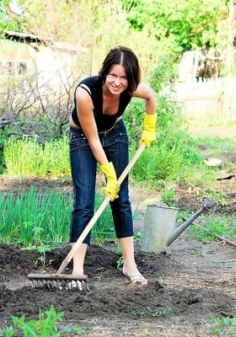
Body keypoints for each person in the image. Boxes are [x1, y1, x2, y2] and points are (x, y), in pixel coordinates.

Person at [68, 46, 157, 287]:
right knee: (84, 201)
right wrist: (109, 174)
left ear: (131, 79)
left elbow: (151, 97)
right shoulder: (85, 93)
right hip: (83, 139)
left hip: (116, 134)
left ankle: (130, 265)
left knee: (122, 199)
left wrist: (150, 126)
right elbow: (93, 140)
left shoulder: (132, 89)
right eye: (113, 75)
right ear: (105, 72)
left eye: (124, 77)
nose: (118, 82)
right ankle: (77, 270)